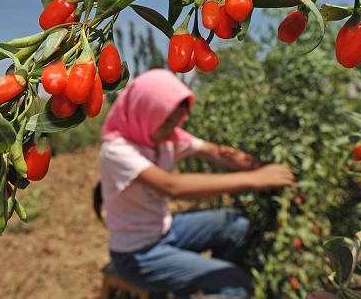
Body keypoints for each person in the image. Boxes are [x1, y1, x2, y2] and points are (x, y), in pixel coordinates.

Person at [98, 69, 296, 298]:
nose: (173, 128)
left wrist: (261, 167)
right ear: (146, 112)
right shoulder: (116, 150)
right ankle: (216, 284)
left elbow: (216, 152)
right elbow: (171, 186)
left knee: (236, 225)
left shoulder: (168, 136)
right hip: (136, 254)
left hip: (164, 230)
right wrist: (254, 180)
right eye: (166, 120)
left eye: (176, 120)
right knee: (236, 284)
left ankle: (202, 284)